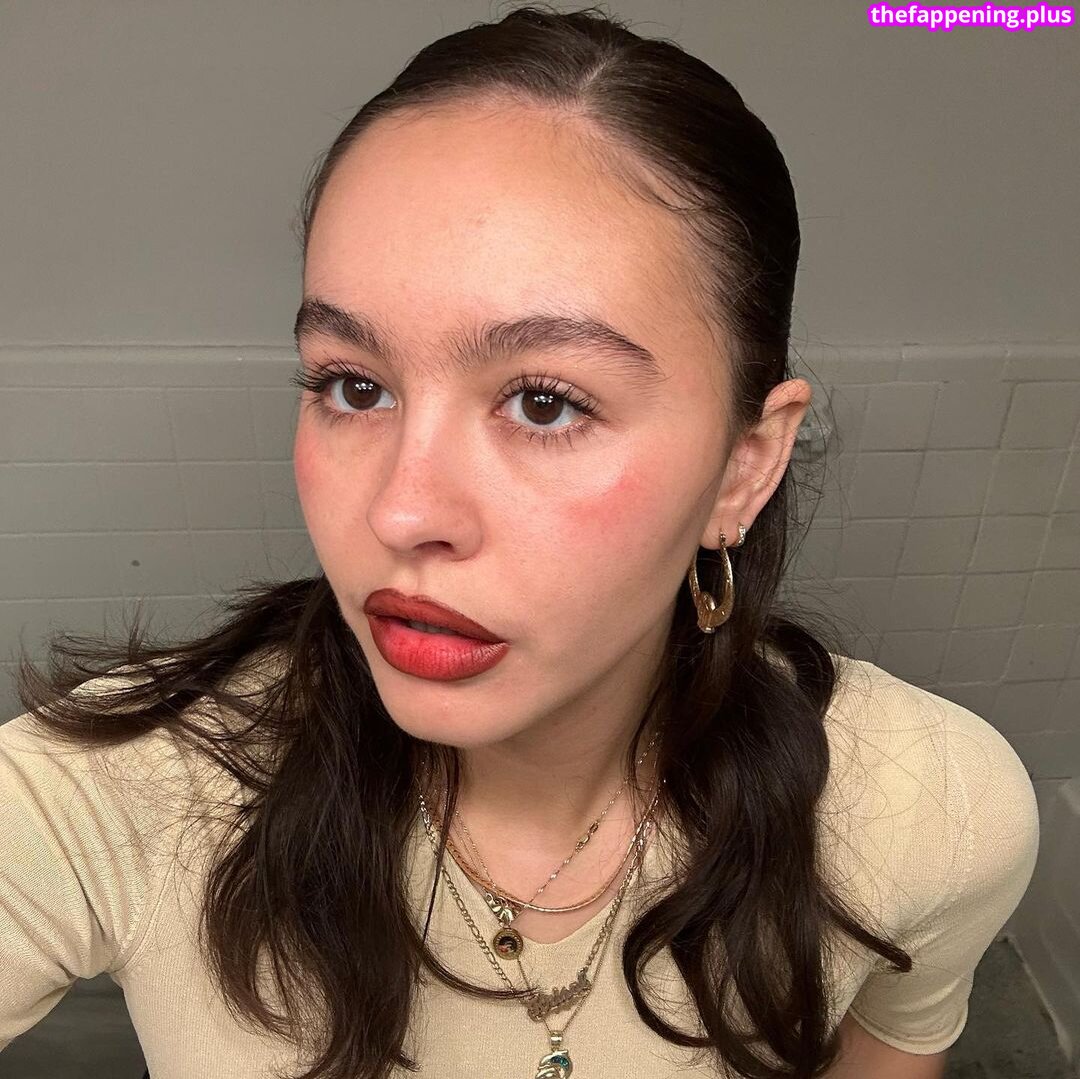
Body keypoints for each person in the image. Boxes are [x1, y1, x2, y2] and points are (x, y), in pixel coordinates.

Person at [0, 6, 1039, 1079]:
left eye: (545, 401)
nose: (402, 512)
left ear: (744, 465)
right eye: (353, 384)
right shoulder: (116, 800)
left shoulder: (931, 808)